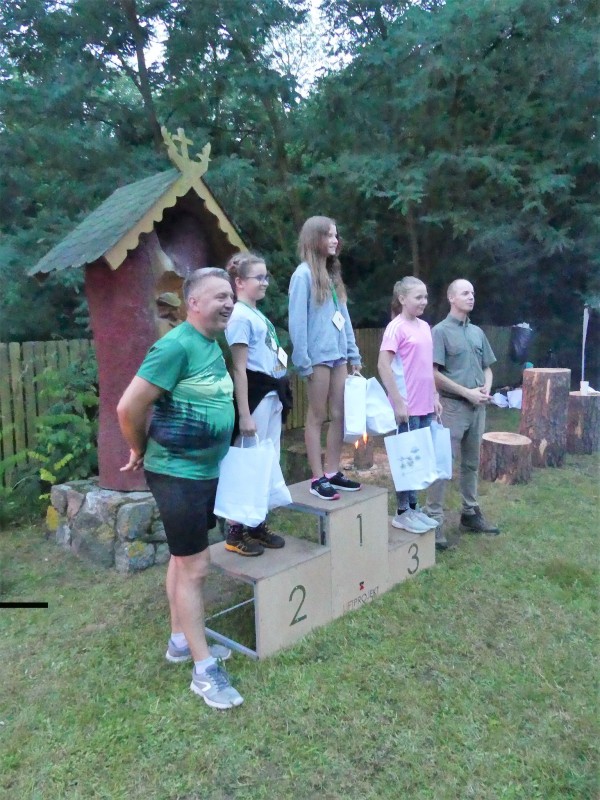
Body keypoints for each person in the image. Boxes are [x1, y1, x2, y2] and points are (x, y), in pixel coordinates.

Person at [117, 267, 244, 710]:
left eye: (230, 297)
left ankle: (179, 641)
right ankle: (204, 670)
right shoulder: (174, 347)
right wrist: (138, 448)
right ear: (193, 302)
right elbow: (128, 406)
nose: (228, 303)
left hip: (204, 471)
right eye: (219, 296)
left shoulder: (210, 344)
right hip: (177, 473)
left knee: (181, 558)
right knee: (196, 567)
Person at [288, 216, 362, 500]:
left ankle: (332, 472)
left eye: (336, 235)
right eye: (329, 235)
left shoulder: (332, 276)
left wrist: (353, 352)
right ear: (314, 238)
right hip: (317, 358)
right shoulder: (302, 275)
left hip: (339, 356)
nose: (335, 240)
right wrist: (303, 360)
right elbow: (297, 322)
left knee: (340, 414)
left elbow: (344, 318)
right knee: (317, 415)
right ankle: (316, 478)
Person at [424, 278, 500, 548]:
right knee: (443, 465)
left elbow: (487, 367)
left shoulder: (477, 332)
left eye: (473, 293)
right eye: (465, 293)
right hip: (452, 407)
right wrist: (466, 393)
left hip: (477, 407)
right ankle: (433, 519)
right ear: (451, 298)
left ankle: (470, 513)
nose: (471, 297)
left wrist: (485, 388)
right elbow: (433, 373)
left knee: (471, 464)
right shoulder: (440, 332)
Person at [223, 252, 288, 556]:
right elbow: (239, 368)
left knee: (267, 459)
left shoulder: (256, 314)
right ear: (239, 282)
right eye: (258, 278)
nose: (265, 282)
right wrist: (245, 414)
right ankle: (235, 531)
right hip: (256, 395)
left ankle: (257, 523)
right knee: (248, 460)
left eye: (266, 277)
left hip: (272, 393)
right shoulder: (239, 316)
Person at [377, 277, 442, 535]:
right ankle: (402, 512)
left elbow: (427, 366)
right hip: (408, 406)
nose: (424, 302)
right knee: (407, 459)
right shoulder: (396, 328)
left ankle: (414, 508)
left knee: (419, 460)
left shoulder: (425, 326)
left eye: (425, 297)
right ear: (402, 299)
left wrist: (435, 396)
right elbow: (383, 365)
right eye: (418, 297)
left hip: (425, 404)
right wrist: (397, 401)